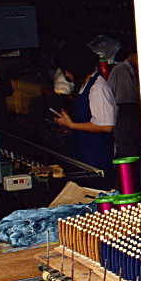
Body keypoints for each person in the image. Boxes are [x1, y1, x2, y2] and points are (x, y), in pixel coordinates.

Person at [53, 45, 116, 186]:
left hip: (97, 157)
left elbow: (106, 126)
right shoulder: (85, 86)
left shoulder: (98, 88)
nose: (67, 76)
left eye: (68, 72)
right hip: (85, 156)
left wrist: (70, 125)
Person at [107, 43, 141, 159]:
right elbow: (126, 102)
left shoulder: (129, 71)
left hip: (128, 123)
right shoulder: (122, 70)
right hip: (123, 122)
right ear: (132, 56)